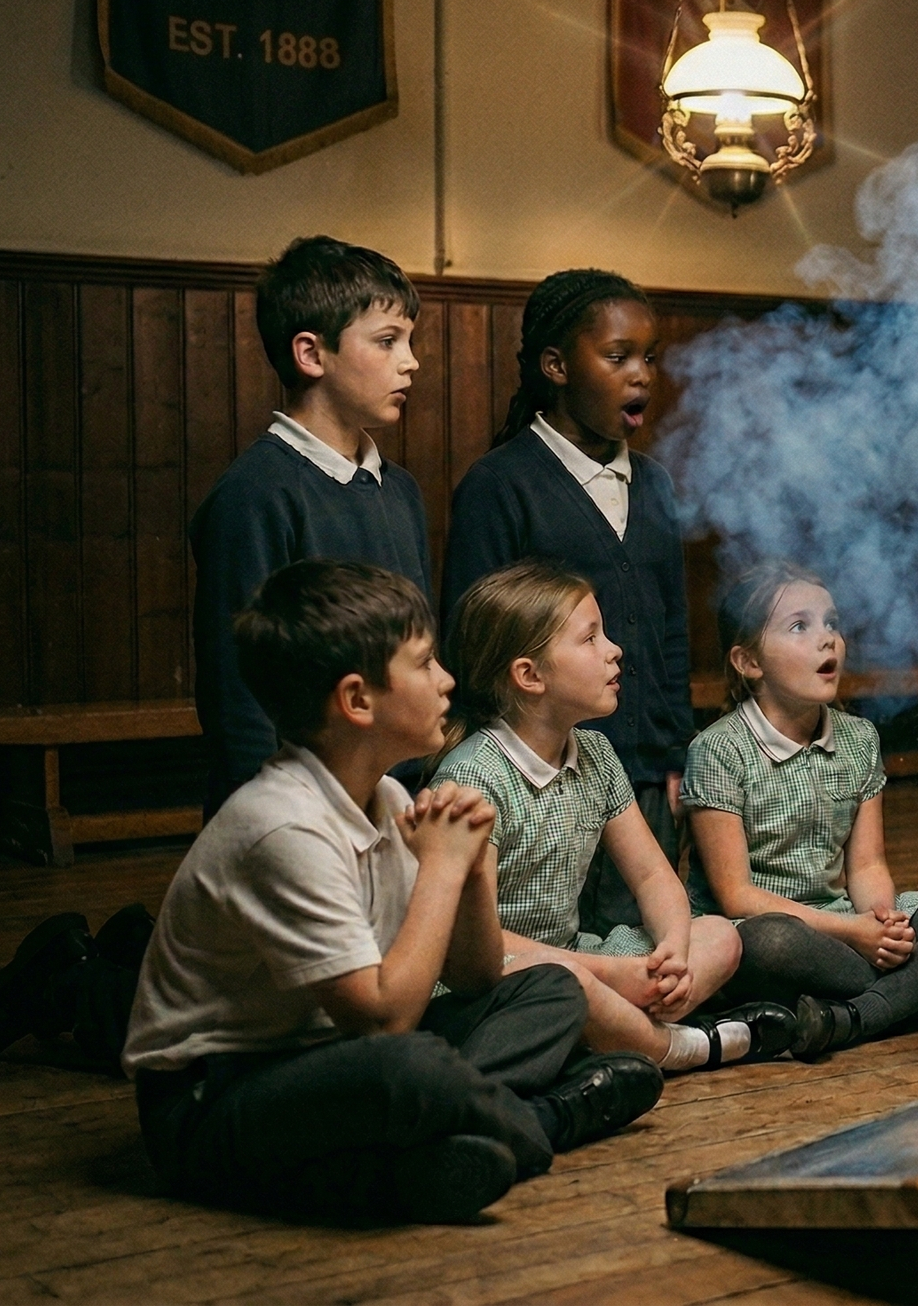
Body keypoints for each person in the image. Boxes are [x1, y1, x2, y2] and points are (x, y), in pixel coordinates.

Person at [122, 560, 662, 1225]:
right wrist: (440, 868)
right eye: (426, 664)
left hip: (333, 1061)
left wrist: (474, 871)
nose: (449, 681)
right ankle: (538, 1124)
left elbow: (476, 974)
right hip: (214, 1099)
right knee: (405, 1065)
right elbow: (383, 1022)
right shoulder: (283, 827)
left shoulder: (386, 796)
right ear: (357, 700)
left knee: (549, 990)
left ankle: (433, 1152)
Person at [433, 561, 790, 1071]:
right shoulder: (475, 779)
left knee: (721, 935)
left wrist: (674, 950)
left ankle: (611, 1029)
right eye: (590, 639)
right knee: (568, 982)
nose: (614, 649)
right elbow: (479, 943)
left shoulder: (596, 753)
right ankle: (678, 1047)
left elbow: (651, 876)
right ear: (529, 676)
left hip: (575, 953)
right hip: (496, 976)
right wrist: (610, 973)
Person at [683, 561, 918, 1059]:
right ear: (748, 661)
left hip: (849, 927)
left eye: (832, 623)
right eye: (799, 626)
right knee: (772, 944)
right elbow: (737, 897)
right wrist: (855, 934)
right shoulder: (717, 750)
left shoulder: (859, 738)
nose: (827, 639)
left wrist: (883, 923)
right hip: (773, 932)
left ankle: (855, 1014)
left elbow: (867, 866)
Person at [441, 270, 694, 938]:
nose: (641, 374)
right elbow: (473, 646)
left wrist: (676, 755)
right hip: (540, 785)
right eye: (618, 357)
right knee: (556, 941)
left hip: (639, 775)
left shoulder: (657, 484)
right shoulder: (500, 486)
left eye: (649, 357)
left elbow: (670, 628)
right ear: (556, 365)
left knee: (649, 944)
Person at [192, 237, 434, 816]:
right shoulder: (256, 494)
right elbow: (238, 689)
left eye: (409, 340)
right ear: (310, 353)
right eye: (386, 341)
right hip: (295, 811)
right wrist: (271, 817)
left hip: (391, 797)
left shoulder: (398, 489)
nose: (411, 361)